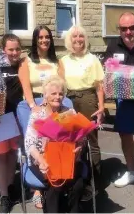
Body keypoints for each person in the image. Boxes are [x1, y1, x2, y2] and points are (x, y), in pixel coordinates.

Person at [24, 75, 85, 213]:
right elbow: (29, 143)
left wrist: (80, 147)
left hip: (67, 160)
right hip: (43, 160)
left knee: (78, 185)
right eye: (53, 93)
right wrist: (41, 161)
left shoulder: (69, 112)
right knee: (55, 185)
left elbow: (81, 138)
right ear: (45, 95)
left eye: (60, 93)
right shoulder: (37, 114)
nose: (57, 97)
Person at [19, 25, 64, 208]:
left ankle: (60, 173)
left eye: (47, 37)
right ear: (35, 40)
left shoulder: (57, 61)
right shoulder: (26, 61)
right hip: (34, 105)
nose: (44, 40)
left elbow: (61, 85)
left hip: (54, 101)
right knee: (35, 142)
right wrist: (33, 107)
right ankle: (37, 188)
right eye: (40, 37)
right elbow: (26, 86)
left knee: (56, 140)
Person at [104, 12, 134, 202]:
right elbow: (108, 70)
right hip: (124, 100)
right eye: (124, 28)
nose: (128, 32)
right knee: (125, 135)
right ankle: (131, 171)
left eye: (132, 27)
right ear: (119, 29)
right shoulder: (113, 45)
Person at [60, 25, 105, 201]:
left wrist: (101, 107)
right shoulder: (63, 60)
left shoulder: (92, 59)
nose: (78, 39)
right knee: (70, 141)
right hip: (69, 100)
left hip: (88, 99)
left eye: (81, 36)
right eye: (74, 36)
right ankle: (73, 180)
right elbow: (61, 85)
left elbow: (99, 85)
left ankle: (95, 183)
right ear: (69, 40)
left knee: (91, 141)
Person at [0, 34, 23, 213]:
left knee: (13, 153)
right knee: (2, 156)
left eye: (17, 49)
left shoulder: (23, 64)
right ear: (3, 50)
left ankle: (10, 186)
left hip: (18, 117)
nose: (14, 52)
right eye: (10, 49)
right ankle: (4, 196)